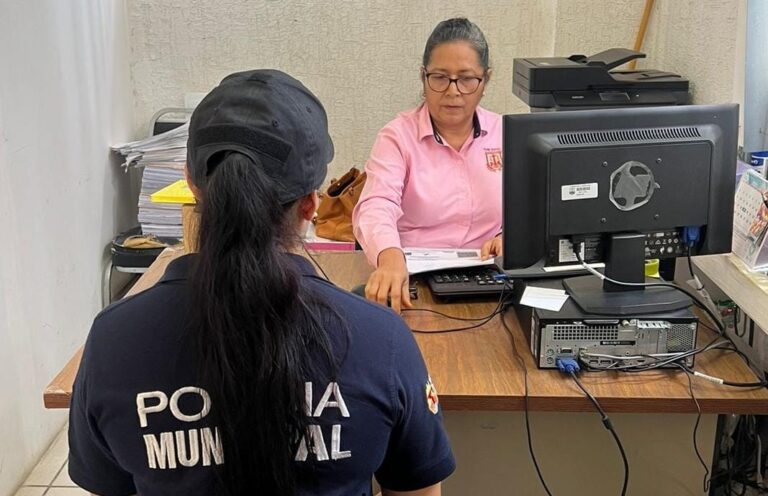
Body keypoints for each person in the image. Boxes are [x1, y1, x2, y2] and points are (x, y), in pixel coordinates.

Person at [68, 70, 455, 496]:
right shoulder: (380, 340)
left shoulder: (114, 340)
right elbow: (416, 490)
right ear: (311, 204)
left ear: (192, 185)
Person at [353, 18, 503, 312]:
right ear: (423, 77)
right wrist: (389, 255)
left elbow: (530, 208)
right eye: (440, 77)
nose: (453, 90)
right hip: (411, 281)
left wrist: (511, 237)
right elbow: (376, 204)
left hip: (488, 283)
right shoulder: (398, 136)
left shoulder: (504, 133)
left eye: (467, 78)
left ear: (485, 80)